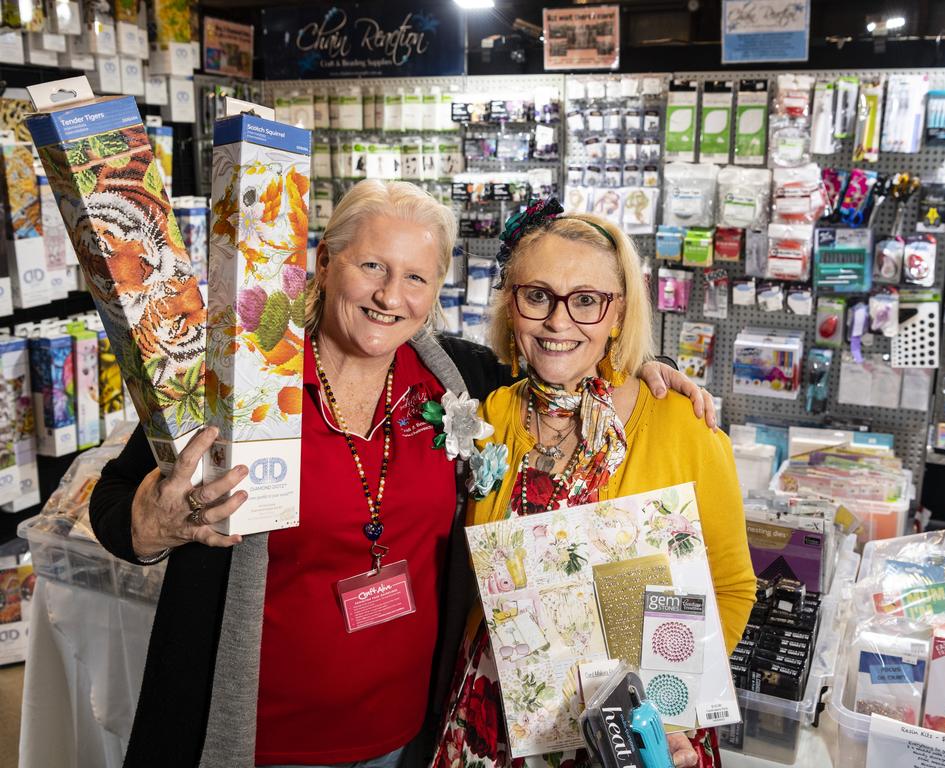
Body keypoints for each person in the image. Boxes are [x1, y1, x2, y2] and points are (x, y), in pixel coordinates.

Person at [89, 180, 716, 768]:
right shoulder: (242, 378)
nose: (392, 297)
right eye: (372, 267)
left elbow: (561, 354)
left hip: (409, 736)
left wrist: (648, 369)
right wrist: (151, 525)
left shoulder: (461, 381)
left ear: (438, 288)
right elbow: (115, 503)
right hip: (260, 737)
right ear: (326, 260)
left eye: (417, 277)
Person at [432, 199, 756, 768]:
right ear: (512, 306)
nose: (560, 323)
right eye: (538, 296)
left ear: (617, 313)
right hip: (498, 721)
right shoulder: (492, 414)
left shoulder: (683, 426)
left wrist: (672, 712)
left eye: (586, 301)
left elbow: (729, 587)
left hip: (637, 729)